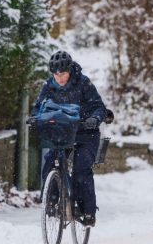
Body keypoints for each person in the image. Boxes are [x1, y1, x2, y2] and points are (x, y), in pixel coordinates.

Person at [30, 50, 106, 227]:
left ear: (70, 70)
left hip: (86, 133)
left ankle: (88, 212)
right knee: (50, 162)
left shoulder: (83, 83)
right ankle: (52, 201)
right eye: (55, 74)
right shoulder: (49, 85)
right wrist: (34, 117)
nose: (59, 77)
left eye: (62, 73)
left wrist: (94, 119)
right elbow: (39, 107)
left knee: (81, 170)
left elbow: (98, 106)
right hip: (63, 133)